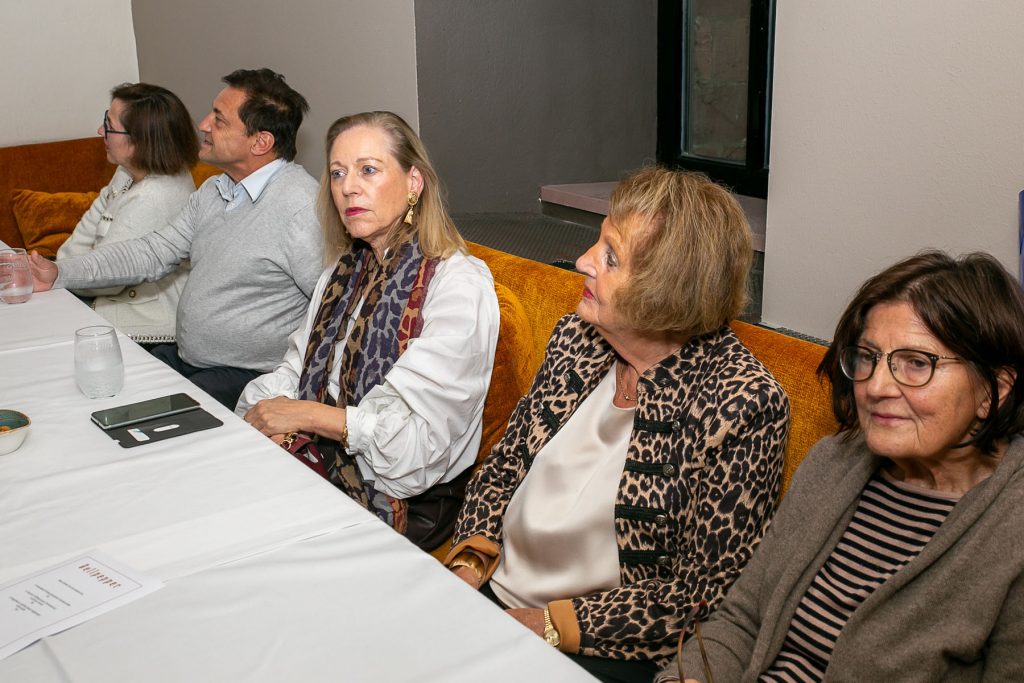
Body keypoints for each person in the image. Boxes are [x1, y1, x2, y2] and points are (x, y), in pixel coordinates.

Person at [444, 167, 790, 682]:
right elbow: (506, 462)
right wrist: (469, 562)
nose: (582, 261)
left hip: (602, 646)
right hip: (493, 589)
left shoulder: (742, 404)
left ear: (667, 291)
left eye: (610, 256)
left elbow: (704, 593)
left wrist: (549, 626)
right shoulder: (577, 339)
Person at [658, 251, 1024, 683]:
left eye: (917, 363)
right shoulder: (833, 461)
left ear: (993, 392)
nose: (876, 385)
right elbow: (740, 621)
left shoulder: (1011, 530)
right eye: (868, 357)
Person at [237, 111, 499, 551]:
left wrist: (303, 416)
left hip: (408, 499)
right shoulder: (342, 272)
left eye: (368, 170)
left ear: (414, 182)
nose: (348, 187)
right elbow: (293, 370)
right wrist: (272, 409)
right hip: (320, 456)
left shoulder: (458, 283)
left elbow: (416, 450)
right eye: (338, 173)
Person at [29, 68, 322, 409]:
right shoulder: (216, 190)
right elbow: (152, 253)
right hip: (189, 359)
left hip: (247, 376)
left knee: (129, 416)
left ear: (261, 142)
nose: (203, 125)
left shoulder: (299, 207)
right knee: (84, 391)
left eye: (219, 120)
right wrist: (60, 273)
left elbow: (332, 309)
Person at [57, 83, 198, 344]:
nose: (101, 131)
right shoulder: (128, 172)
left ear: (138, 142)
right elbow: (81, 238)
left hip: (141, 329)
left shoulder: (155, 196)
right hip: (94, 294)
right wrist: (65, 269)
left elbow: (108, 279)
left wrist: (61, 273)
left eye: (108, 125)